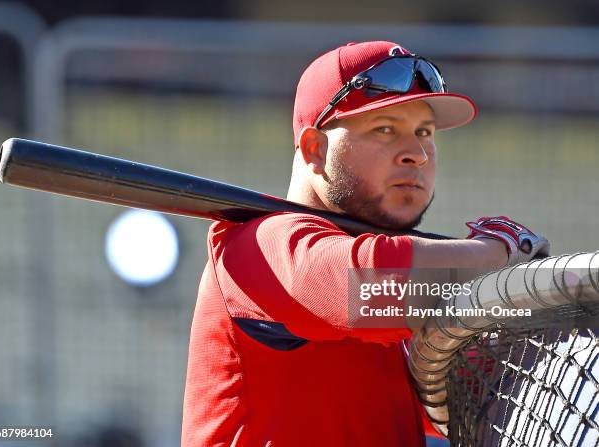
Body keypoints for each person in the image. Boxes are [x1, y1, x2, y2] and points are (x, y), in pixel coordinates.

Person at [181, 40, 549, 446]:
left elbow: (477, 398)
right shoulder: (257, 244)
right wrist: (500, 252)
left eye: (424, 132)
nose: (417, 154)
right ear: (314, 149)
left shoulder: (407, 298)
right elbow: (375, 283)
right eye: (385, 129)